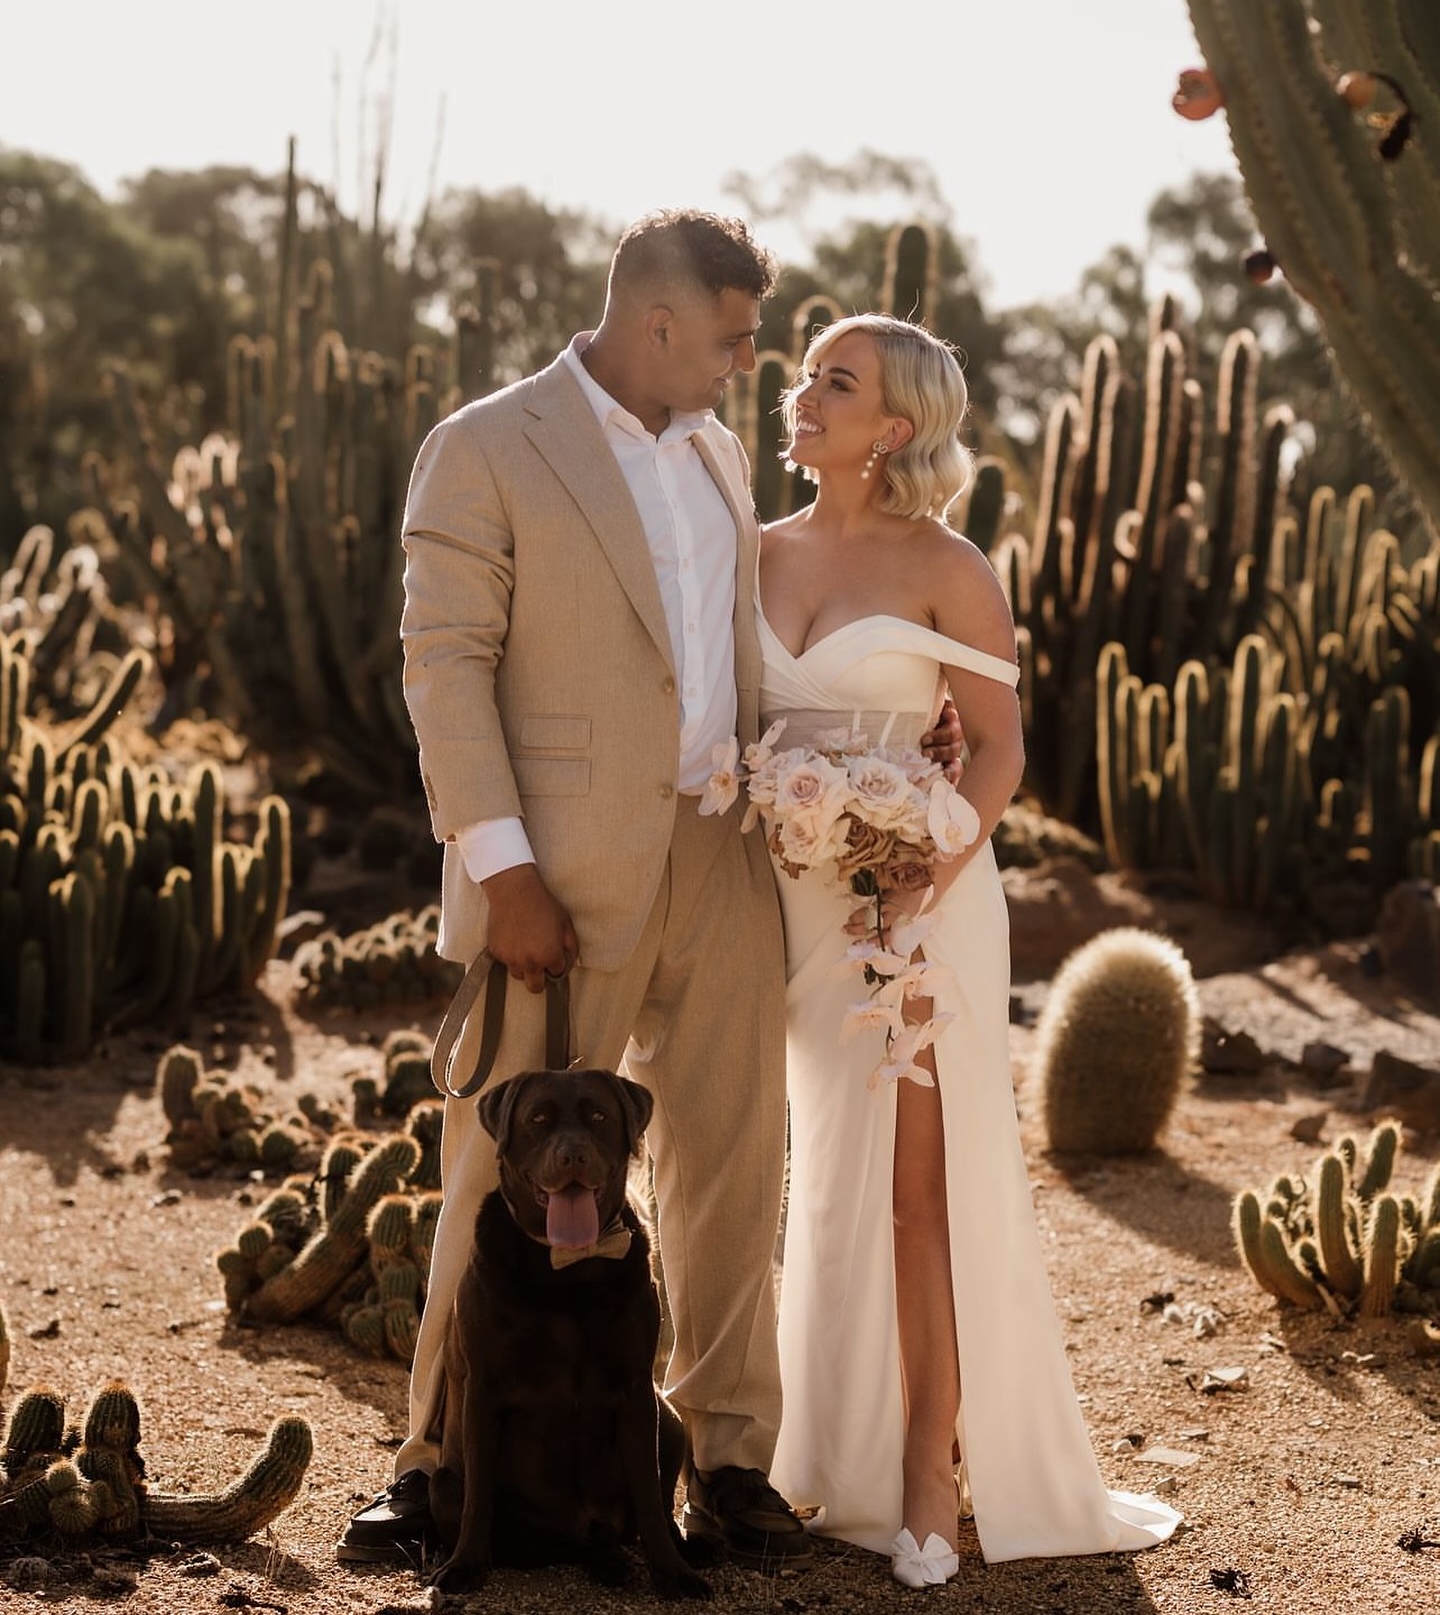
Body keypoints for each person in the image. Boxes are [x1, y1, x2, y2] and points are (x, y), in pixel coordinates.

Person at [340, 210, 811, 1572]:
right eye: (730, 340)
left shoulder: (717, 454)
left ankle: (726, 1459)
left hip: (721, 853)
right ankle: (434, 1462)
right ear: (658, 322)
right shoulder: (486, 444)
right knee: (497, 1163)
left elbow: (728, 655)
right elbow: (446, 666)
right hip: (556, 874)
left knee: (733, 1161)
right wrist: (505, 873)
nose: (742, 368)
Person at [756, 314, 1183, 1588]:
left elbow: (995, 746)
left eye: (837, 382)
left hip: (916, 905)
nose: (803, 395)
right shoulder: (745, 549)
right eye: (805, 375)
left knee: (917, 1188)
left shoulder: (951, 564)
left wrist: (922, 867)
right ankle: (797, 1449)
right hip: (774, 900)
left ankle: (930, 1473)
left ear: (895, 426)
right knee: (810, 1170)